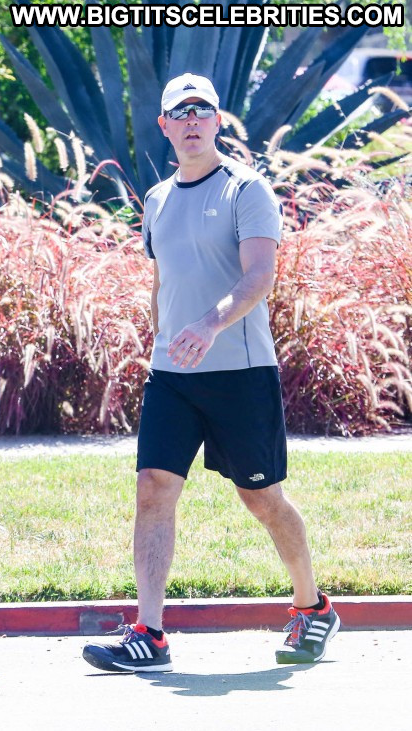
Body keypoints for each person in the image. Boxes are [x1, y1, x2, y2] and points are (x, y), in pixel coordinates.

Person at [82, 74, 340, 673]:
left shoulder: (246, 189)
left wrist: (209, 324)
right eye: (181, 113)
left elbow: (259, 277)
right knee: (153, 490)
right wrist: (161, 342)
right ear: (165, 126)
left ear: (218, 121)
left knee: (262, 499)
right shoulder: (156, 200)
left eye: (203, 112)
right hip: (172, 375)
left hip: (240, 371)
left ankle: (313, 607)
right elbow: (161, 283)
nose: (193, 122)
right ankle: (150, 633)